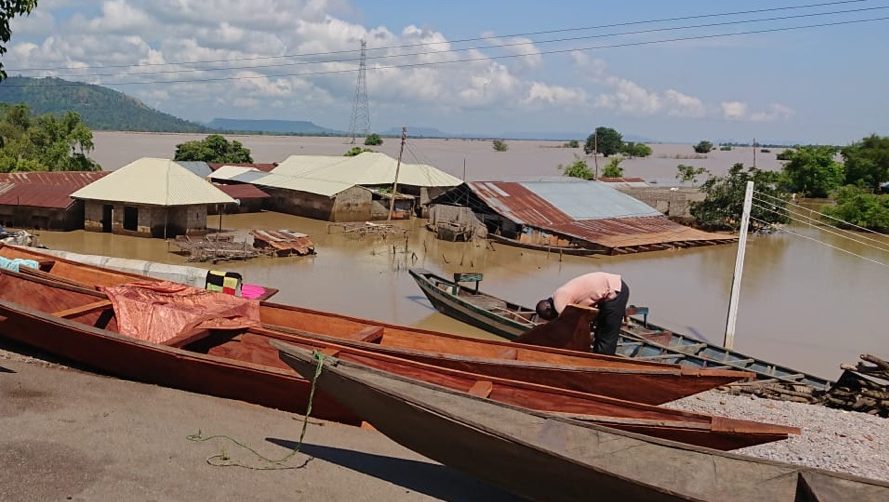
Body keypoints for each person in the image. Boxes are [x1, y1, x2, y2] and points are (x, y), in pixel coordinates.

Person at [535, 272, 629, 355]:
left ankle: (603, 363)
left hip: (615, 290)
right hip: (609, 289)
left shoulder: (559, 302)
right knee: (600, 330)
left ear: (549, 310)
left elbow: (568, 324)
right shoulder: (559, 295)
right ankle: (597, 357)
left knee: (606, 335)